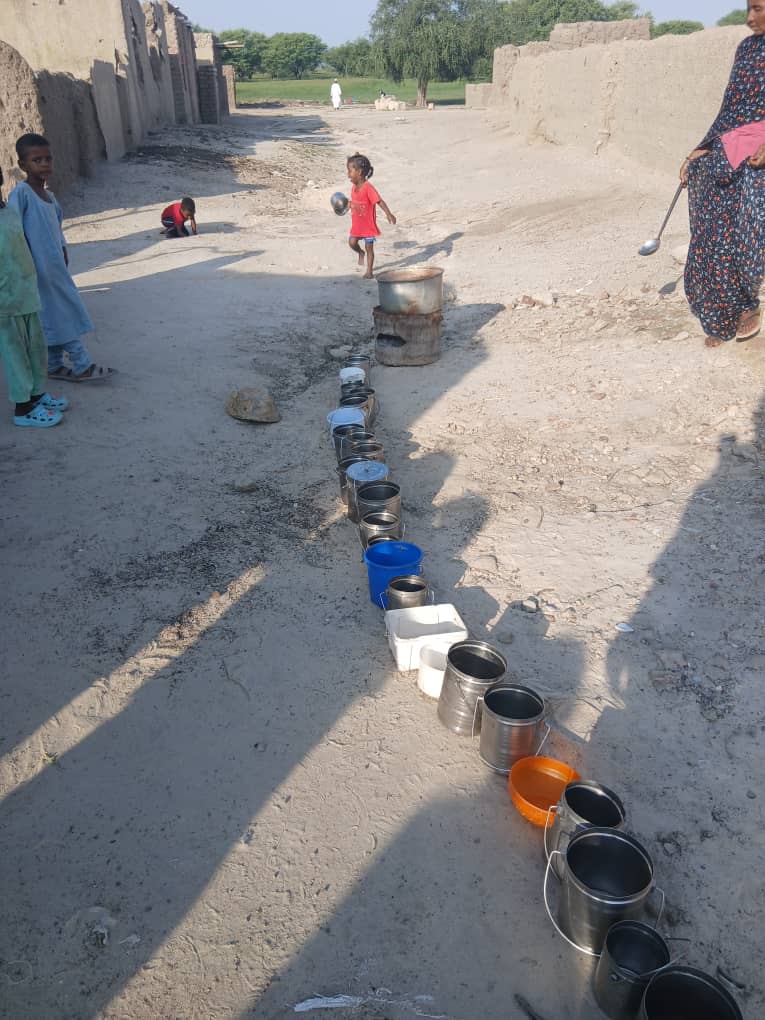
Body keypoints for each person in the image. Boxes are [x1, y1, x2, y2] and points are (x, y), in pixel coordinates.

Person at [680, 0, 765, 348]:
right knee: (712, 227)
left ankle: (748, 300)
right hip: (732, 146)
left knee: (747, 231)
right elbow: (731, 108)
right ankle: (728, 311)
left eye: (758, 8)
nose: (750, 18)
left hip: (759, 157)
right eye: (748, 8)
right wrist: (701, 147)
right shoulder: (746, 49)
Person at [8, 133, 111, 382]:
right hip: (36, 271)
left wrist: (63, 251)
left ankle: (53, 364)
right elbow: (13, 230)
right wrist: (23, 265)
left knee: (55, 314)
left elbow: (57, 229)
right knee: (62, 314)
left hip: (55, 269)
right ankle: (81, 363)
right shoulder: (21, 194)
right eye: (37, 160)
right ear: (22, 165)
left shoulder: (51, 198)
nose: (44, 164)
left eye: (48, 159)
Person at [0, 167, 67, 427]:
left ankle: (37, 395)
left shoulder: (9, 212)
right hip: (6, 302)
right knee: (16, 355)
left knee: (36, 349)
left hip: (27, 292)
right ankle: (23, 408)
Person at [346, 153, 396, 279]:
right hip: (357, 225)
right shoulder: (353, 188)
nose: (348, 174)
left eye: (350, 171)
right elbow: (355, 202)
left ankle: (369, 271)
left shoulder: (368, 188)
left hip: (368, 226)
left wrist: (388, 214)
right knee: (352, 243)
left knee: (369, 248)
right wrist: (348, 205)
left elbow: (379, 201)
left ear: (359, 172)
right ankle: (360, 252)